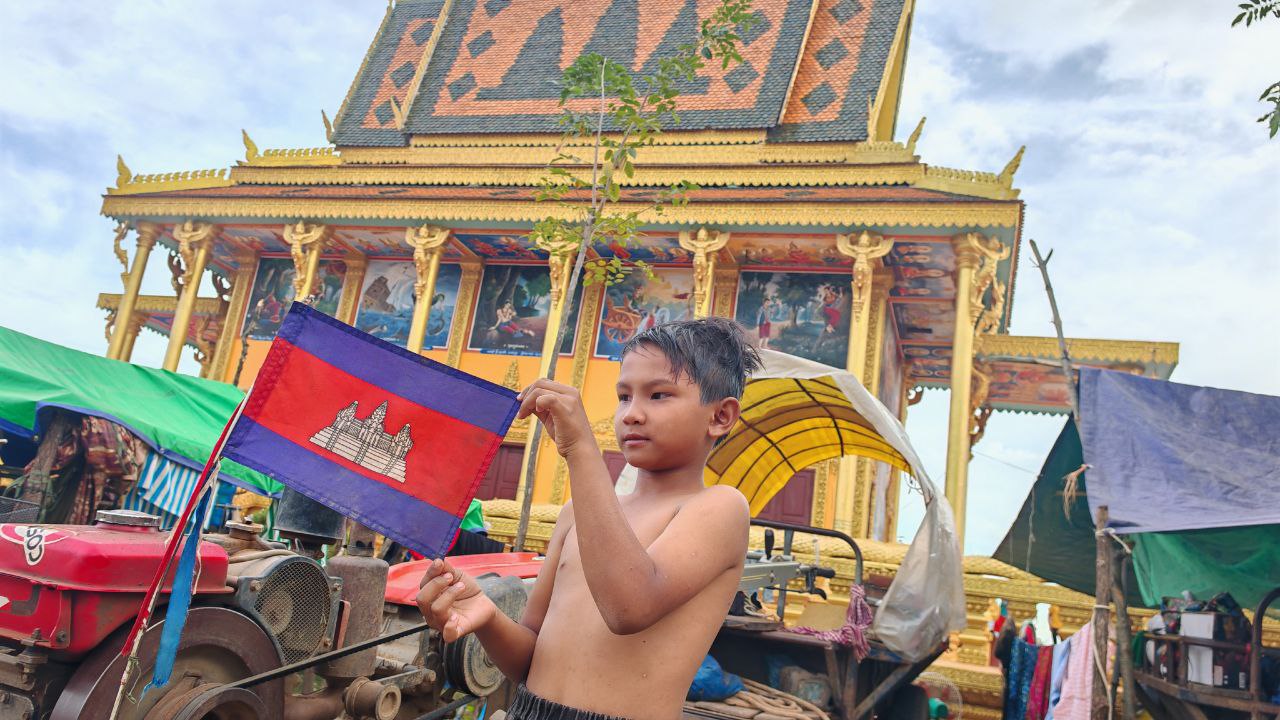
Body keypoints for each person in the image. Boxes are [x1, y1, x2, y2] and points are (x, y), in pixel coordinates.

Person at [417, 318, 761, 720]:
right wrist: (487, 617)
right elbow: (530, 661)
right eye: (623, 396)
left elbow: (628, 607)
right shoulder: (573, 516)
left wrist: (582, 449)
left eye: (659, 395)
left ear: (720, 417)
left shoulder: (719, 508)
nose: (632, 414)